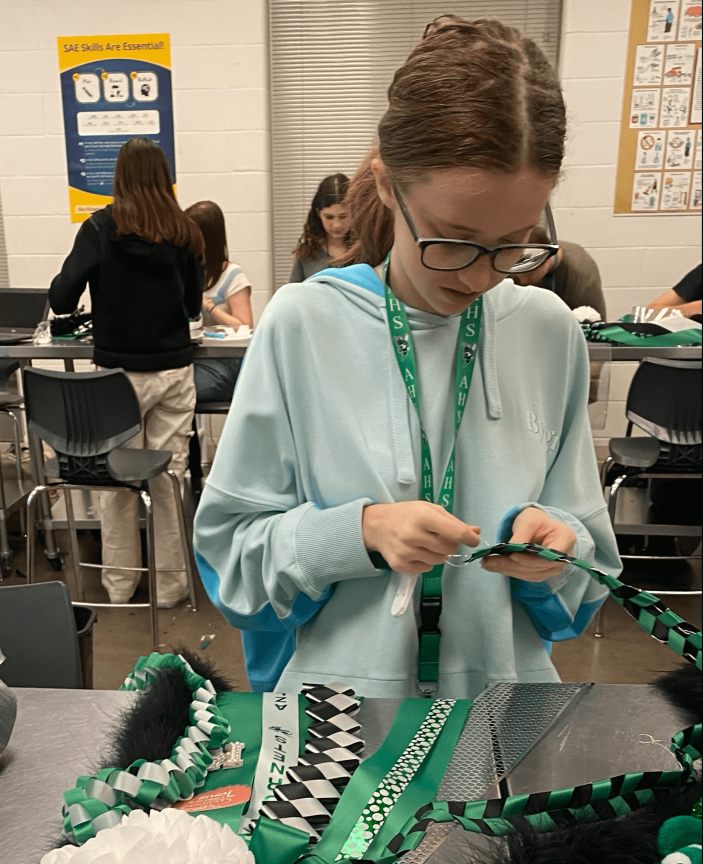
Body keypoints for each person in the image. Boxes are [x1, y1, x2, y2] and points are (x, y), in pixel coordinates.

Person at [193, 18, 620, 699]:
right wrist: (356, 534)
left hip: (504, 715)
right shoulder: (303, 325)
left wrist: (558, 550)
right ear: (387, 186)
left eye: (515, 244)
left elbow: (592, 568)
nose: (482, 277)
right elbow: (233, 563)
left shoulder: (548, 332)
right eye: (452, 241)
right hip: (337, 730)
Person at [49, 138, 203, 607]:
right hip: (174, 371)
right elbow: (193, 305)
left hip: (116, 377)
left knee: (115, 483)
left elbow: (61, 299)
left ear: (119, 176)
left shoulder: (99, 228)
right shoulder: (186, 231)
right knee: (169, 478)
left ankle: (119, 587)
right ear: (163, 175)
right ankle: (171, 589)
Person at [184, 200, 253, 402]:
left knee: (179, 394)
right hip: (194, 359)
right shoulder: (189, 271)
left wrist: (209, 306)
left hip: (225, 361)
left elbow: (245, 327)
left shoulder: (233, 276)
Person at [513, 229, 607, 319]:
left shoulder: (581, 276)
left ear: (547, 260)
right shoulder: (518, 261)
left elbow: (596, 327)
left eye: (528, 275)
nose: (522, 281)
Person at [289, 174, 352, 281]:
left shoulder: (366, 252)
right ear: (319, 214)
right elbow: (293, 295)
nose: (337, 225)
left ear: (354, 212)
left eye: (343, 216)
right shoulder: (307, 255)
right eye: (329, 217)